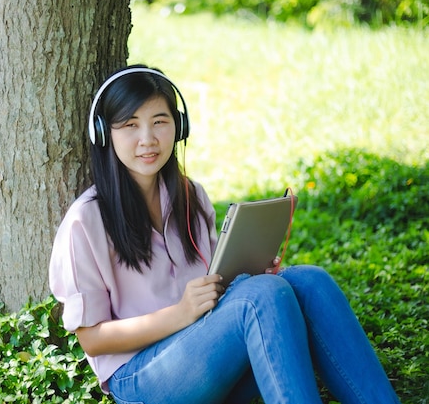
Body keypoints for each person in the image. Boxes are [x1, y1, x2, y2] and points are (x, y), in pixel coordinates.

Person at [49, 64, 401, 404]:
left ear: (179, 126)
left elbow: (217, 285)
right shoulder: (87, 220)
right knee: (260, 295)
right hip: (142, 379)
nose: (148, 139)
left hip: (207, 354)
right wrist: (182, 312)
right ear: (103, 133)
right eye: (130, 125)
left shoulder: (190, 197)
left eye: (160, 121)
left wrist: (248, 274)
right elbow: (92, 339)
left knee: (308, 281)